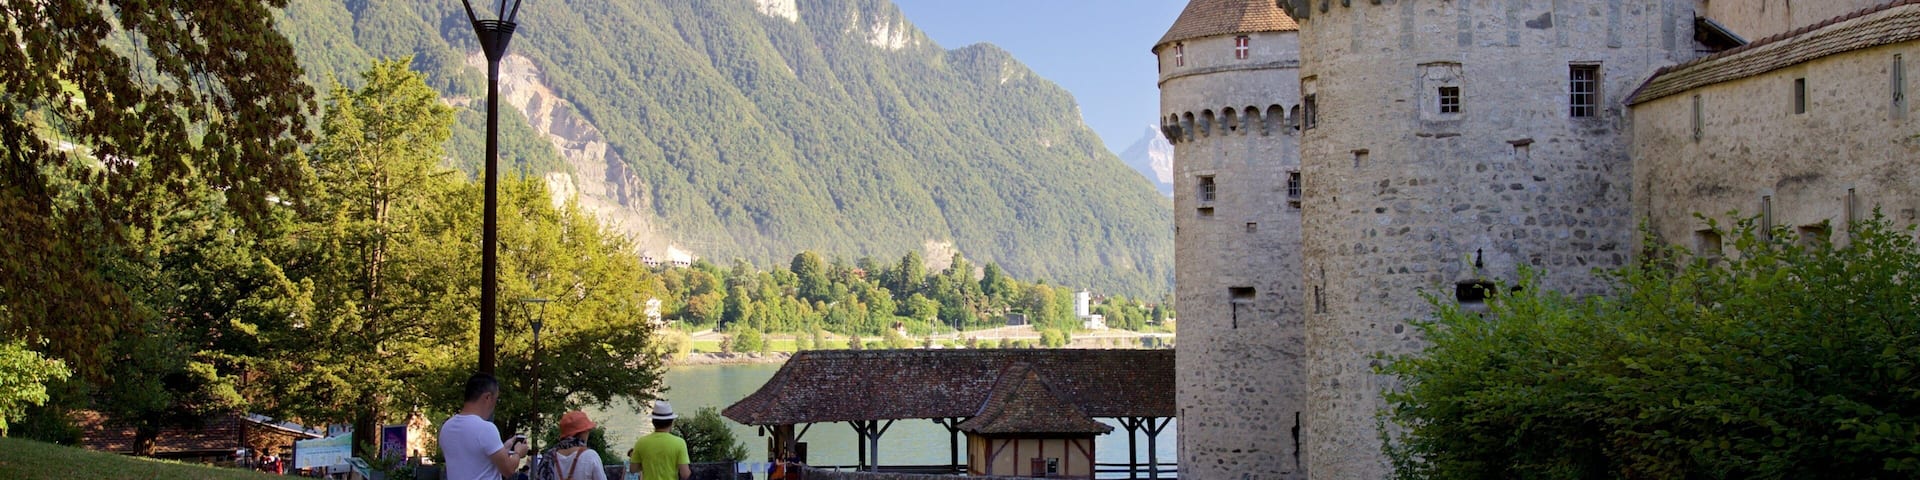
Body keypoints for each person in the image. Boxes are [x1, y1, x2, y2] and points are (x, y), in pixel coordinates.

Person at [441, 373, 531, 480]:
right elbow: (508, 470)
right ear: (488, 397)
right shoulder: (485, 428)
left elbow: (476, 458)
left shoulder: (447, 427)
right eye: (496, 399)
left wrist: (504, 448)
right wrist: (518, 453)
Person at [630, 400, 690, 480]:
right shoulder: (679, 443)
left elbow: (633, 469)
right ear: (671, 422)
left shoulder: (641, 442)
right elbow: (685, 474)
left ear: (653, 422)